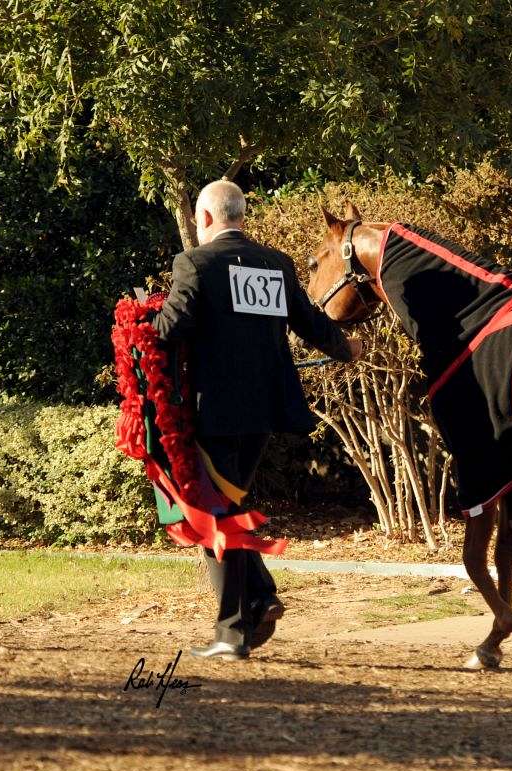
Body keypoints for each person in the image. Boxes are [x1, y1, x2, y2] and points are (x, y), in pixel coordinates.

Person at [154, 179, 362, 660]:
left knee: (208, 514)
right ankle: (261, 596)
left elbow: (173, 325)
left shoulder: (196, 263)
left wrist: (141, 321)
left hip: (214, 414)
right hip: (265, 412)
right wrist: (345, 348)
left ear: (204, 218)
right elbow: (309, 323)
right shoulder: (275, 264)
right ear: (240, 216)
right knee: (226, 507)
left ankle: (232, 631)